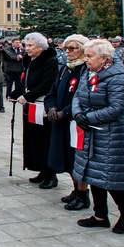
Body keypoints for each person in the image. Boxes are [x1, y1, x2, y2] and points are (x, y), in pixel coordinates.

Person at [72, 39, 124, 234]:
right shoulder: (88, 71)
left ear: (104, 58)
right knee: (92, 173)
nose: (86, 59)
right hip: (90, 130)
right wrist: (78, 114)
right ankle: (100, 215)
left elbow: (117, 108)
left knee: (110, 177)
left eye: (90, 56)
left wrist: (88, 117)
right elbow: (77, 96)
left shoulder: (117, 76)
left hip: (109, 134)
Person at [44, 34, 89, 209]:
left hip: (74, 121)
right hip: (60, 120)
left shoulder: (85, 69)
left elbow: (82, 98)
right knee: (65, 158)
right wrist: (52, 108)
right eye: (66, 49)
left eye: (72, 48)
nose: (68, 52)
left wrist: (65, 112)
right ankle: (76, 189)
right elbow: (52, 92)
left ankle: (83, 194)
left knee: (76, 159)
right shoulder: (65, 68)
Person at [8, 32, 59, 188]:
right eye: (26, 45)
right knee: (34, 140)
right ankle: (41, 169)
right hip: (31, 106)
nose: (26, 48)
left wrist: (28, 95)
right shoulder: (30, 60)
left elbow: (47, 83)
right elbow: (26, 81)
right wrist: (15, 93)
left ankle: (51, 174)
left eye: (30, 46)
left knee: (45, 140)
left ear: (40, 47)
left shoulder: (49, 61)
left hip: (42, 105)